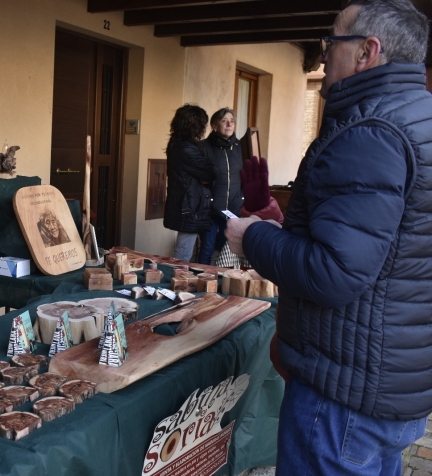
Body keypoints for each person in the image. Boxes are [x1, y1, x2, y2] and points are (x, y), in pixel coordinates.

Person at [225, 1, 432, 474]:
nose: (322, 58)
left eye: (330, 43)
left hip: (345, 395)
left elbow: (334, 271)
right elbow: (391, 249)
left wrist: (253, 238)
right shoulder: (419, 117)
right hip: (391, 384)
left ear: (367, 51)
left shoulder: (372, 131)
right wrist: (283, 226)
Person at [163, 104, 217, 262]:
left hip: (188, 203)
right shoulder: (186, 149)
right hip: (190, 205)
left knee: (185, 249)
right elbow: (211, 173)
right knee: (183, 254)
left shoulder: (177, 144)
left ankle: (179, 281)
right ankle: (178, 284)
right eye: (202, 124)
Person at [198, 108, 243, 265]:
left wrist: (241, 198)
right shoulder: (204, 147)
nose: (229, 123)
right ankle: (199, 281)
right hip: (210, 209)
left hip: (232, 209)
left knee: (228, 250)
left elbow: (245, 176)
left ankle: (222, 283)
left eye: (231, 120)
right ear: (215, 126)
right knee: (207, 249)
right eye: (224, 120)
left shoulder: (240, 147)